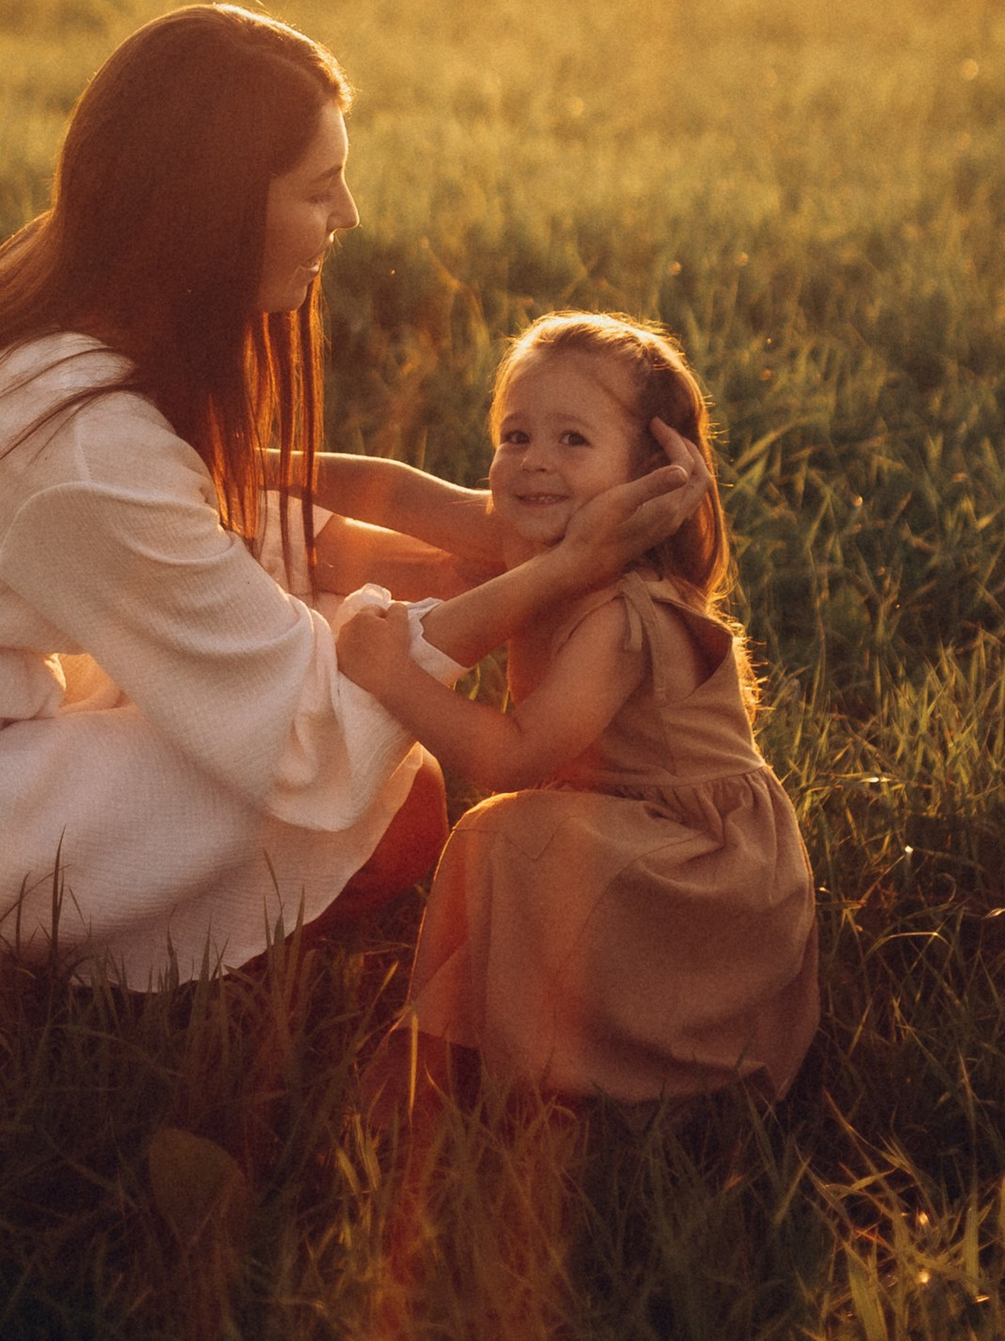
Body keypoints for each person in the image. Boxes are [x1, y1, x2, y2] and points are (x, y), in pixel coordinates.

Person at [0, 12, 698, 981]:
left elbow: (223, 536)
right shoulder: (86, 437)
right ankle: (44, 960)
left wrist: (474, 546)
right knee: (388, 801)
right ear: (214, 207)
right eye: (318, 185)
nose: (346, 215)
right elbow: (309, 724)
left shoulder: (83, 296)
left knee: (333, 770)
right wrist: (558, 569)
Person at [333, 311, 819, 1101]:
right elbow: (390, 490)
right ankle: (454, 1039)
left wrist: (394, 677)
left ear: (652, 473)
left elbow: (519, 756)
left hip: (704, 871)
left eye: (573, 441)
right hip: (622, 825)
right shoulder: (536, 536)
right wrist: (252, 463)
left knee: (504, 834)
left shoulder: (622, 613)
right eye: (516, 436)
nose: (535, 465)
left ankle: (520, 1066)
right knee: (517, 844)